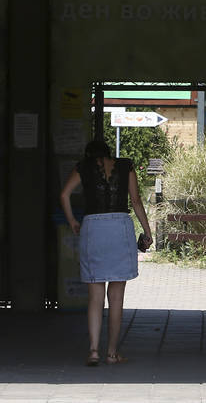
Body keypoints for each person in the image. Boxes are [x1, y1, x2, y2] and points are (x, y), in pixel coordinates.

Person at [59, 139, 153, 366]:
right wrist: (147, 231)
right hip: (120, 226)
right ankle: (112, 353)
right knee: (117, 297)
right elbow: (137, 201)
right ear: (109, 153)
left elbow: (64, 195)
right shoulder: (126, 166)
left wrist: (72, 221)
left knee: (95, 297)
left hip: (94, 228)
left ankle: (93, 351)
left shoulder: (83, 167)